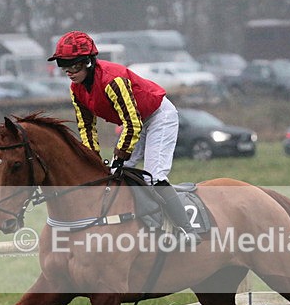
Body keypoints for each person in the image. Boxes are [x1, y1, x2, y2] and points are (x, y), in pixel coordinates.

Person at [48, 30, 199, 242]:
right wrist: (92, 161)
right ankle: (137, 224)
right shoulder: (76, 89)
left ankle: (187, 229)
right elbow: (86, 127)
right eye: (63, 65)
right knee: (115, 175)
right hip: (135, 122)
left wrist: (119, 157)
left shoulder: (112, 79)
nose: (68, 72)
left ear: (88, 62)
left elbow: (133, 122)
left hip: (158, 116)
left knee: (154, 177)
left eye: (73, 65)